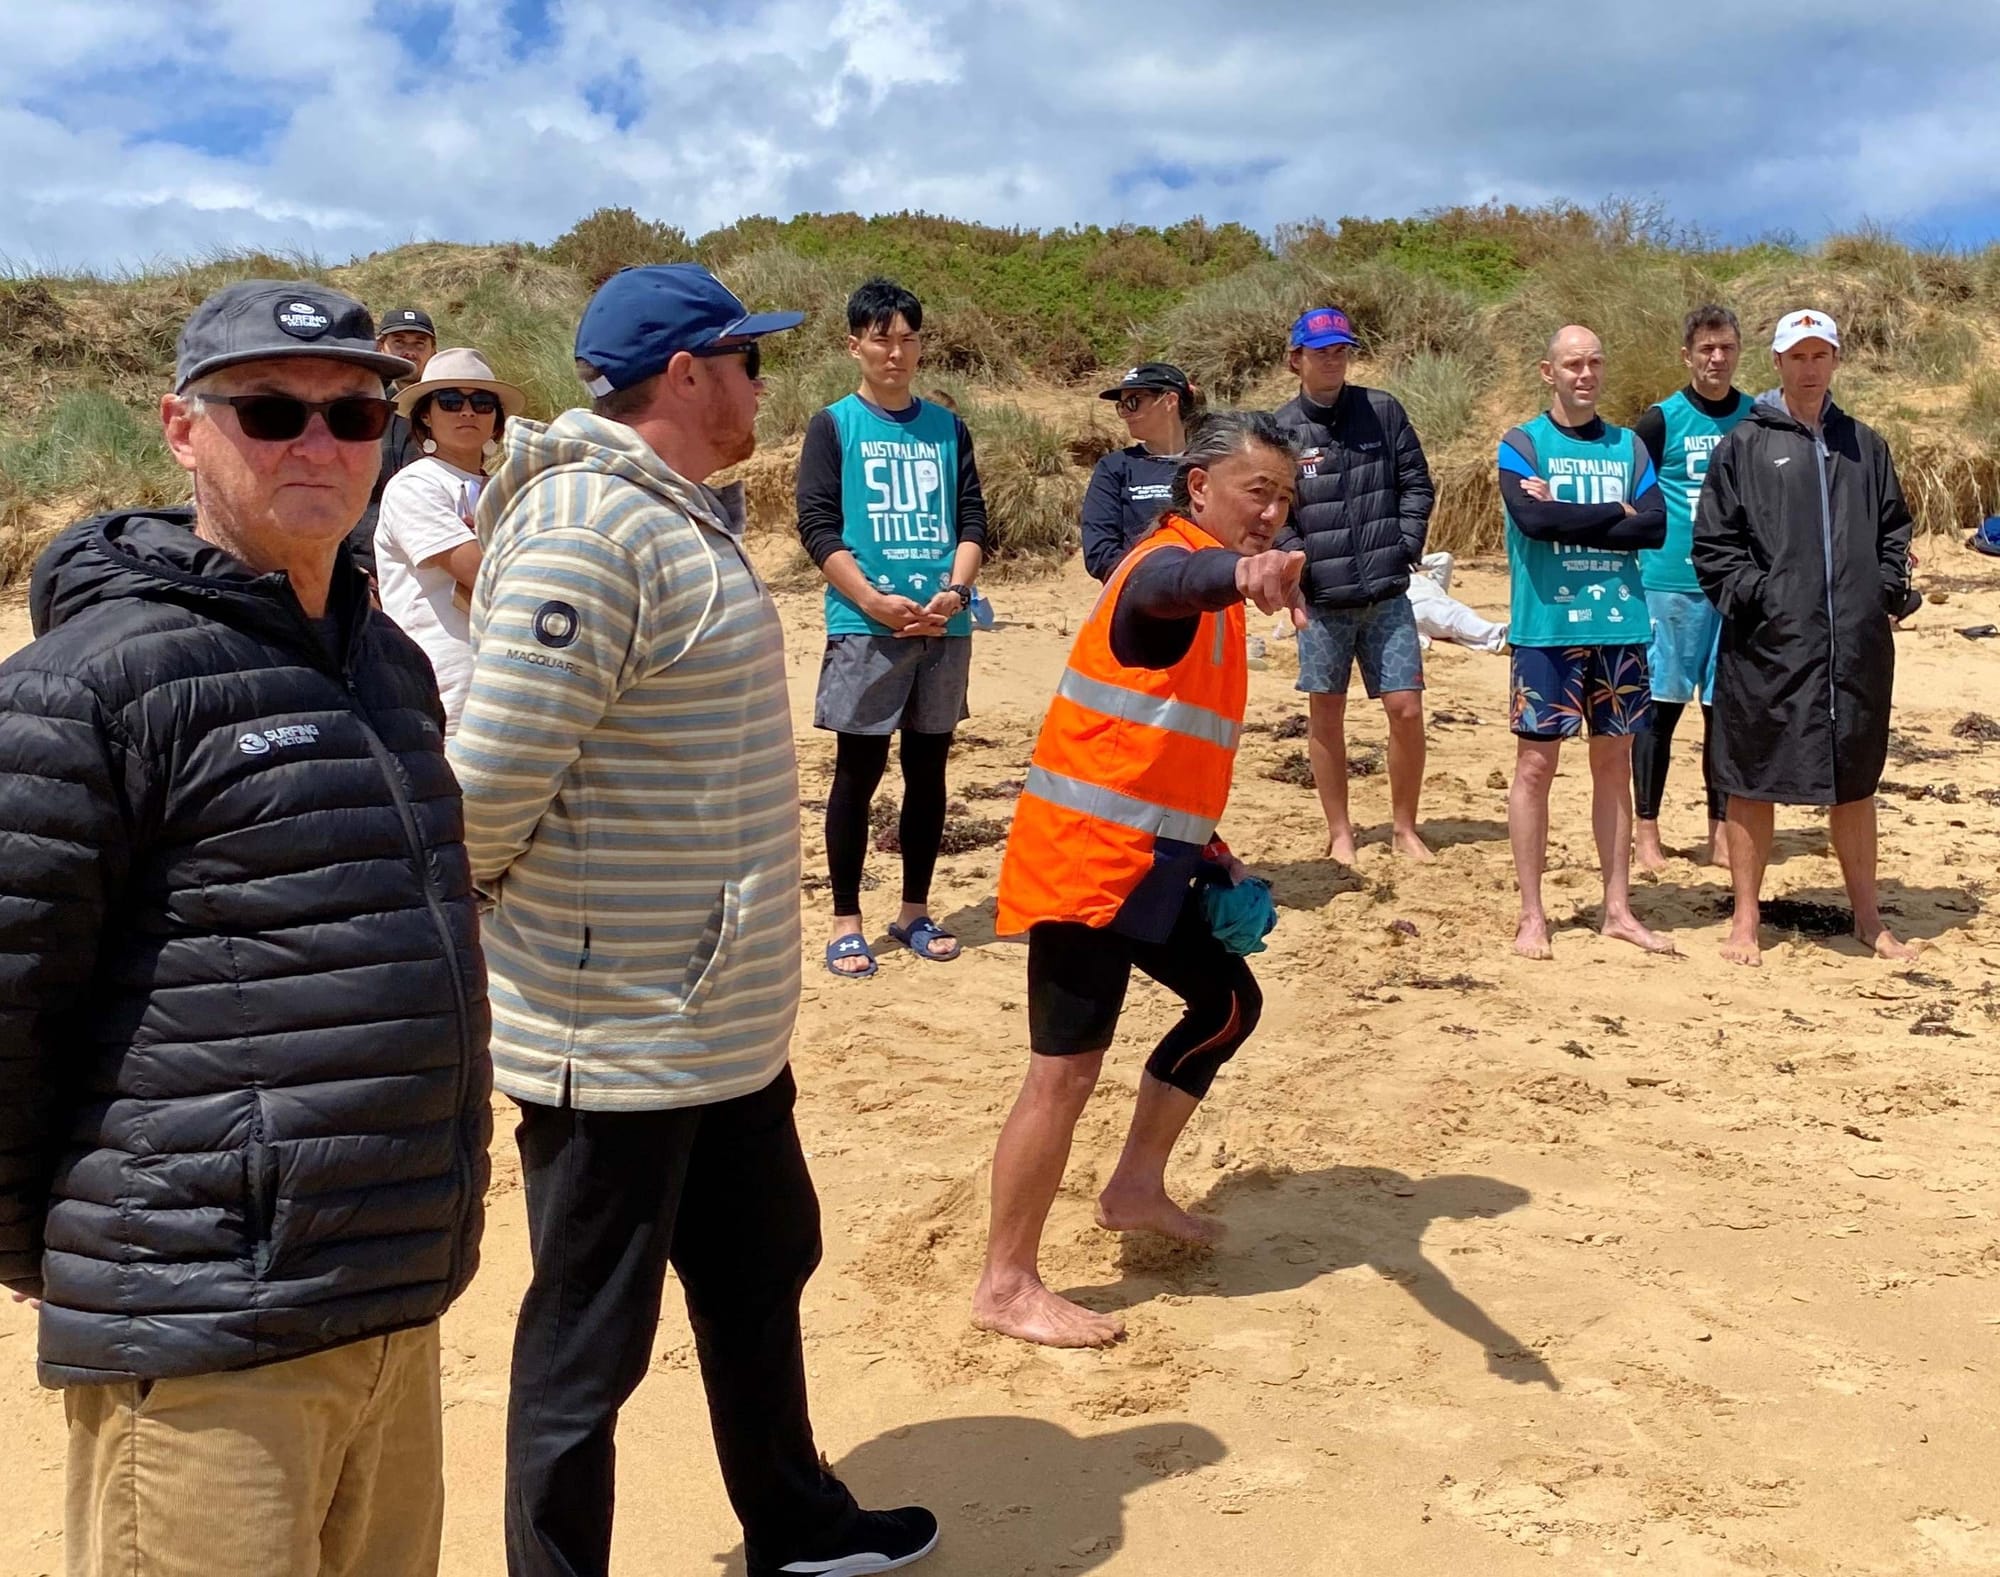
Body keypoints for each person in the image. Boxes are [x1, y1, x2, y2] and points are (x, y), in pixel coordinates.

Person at [450, 263, 937, 1577]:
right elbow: (483, 789)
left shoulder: (668, 513)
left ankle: (796, 1524)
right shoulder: (589, 530)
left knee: (762, 1261)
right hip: (615, 1036)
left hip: (713, 1021)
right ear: (685, 373)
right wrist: (518, 939)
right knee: (589, 1345)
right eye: (749, 360)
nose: (764, 384)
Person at [0, 280, 491, 1577]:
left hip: (387, 1298)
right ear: (182, 427)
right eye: (271, 411)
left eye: (353, 412)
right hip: (205, 1326)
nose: (319, 443)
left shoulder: (388, 669)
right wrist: (110, 1260)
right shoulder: (89, 684)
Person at [973, 410, 1305, 1349]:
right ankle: (1005, 1283)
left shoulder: (1216, 601)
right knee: (1064, 1072)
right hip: (1085, 860)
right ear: (1197, 487)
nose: (1274, 512)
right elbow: (1177, 583)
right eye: (1256, 491)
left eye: (1284, 496)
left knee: (1227, 1003)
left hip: (1153, 857)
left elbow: (1162, 740)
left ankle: (1134, 1188)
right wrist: (1241, 572)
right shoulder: (1165, 568)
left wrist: (1207, 844)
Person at [1694, 310, 1919, 967]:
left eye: (1822, 355)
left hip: (1853, 648)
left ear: (1836, 361)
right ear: (1777, 363)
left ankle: (1869, 917)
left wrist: (1878, 593)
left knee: (1855, 779)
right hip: (1768, 646)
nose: (1811, 368)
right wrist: (1763, 600)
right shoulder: (1744, 444)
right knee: (1751, 776)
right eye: (1799, 356)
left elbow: (1893, 529)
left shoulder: (1865, 445)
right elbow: (1715, 547)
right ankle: (1744, 920)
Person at [796, 277, 988, 979]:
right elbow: (817, 527)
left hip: (943, 625)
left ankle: (913, 908)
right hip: (864, 625)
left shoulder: (947, 427)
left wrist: (955, 591)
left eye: (908, 338)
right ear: (855, 345)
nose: (896, 351)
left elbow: (973, 521)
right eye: (882, 338)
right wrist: (873, 601)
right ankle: (846, 918)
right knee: (858, 771)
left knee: (928, 770)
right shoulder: (834, 424)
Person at [1500, 325, 1674, 960]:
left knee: (1613, 765)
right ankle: (1531, 914)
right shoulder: (1523, 443)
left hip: (1621, 627)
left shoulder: (1629, 446)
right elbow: (1534, 521)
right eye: (1573, 363)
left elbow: (1654, 528)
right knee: (1536, 766)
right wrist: (1615, 515)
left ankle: (1618, 909)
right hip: (1547, 629)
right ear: (1549, 372)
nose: (1586, 374)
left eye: (1596, 362)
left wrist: (1578, 511)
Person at [1274, 306, 1437, 864]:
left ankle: (1404, 826)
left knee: (1406, 709)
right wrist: (1295, 567)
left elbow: (1416, 482)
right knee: (1326, 713)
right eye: (1321, 351)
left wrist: (1404, 545)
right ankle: (1340, 831)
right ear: (1295, 359)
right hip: (1322, 601)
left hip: (1388, 592)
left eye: (1341, 349)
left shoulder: (1383, 411)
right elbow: (1274, 511)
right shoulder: (1279, 430)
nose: (1333, 359)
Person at [1629, 306, 1753, 872]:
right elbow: (1630, 492)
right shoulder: (1662, 420)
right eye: (1706, 349)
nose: (1716, 359)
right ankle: (1646, 831)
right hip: (1669, 583)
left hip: (1736, 588)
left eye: (1725, 348)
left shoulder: (1757, 417)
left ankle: (1721, 831)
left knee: (1724, 714)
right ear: (1687, 355)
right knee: (1661, 709)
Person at [373, 346, 525, 732]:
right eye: (451, 401)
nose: (468, 412)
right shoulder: (415, 485)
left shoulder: (511, 490)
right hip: (446, 692)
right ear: (426, 413)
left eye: (483, 403)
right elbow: (483, 573)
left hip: (514, 684)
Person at [1081, 362, 1195, 581]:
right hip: (1141, 598)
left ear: (1170, 401)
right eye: (1121, 405)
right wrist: (1162, 580)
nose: (1125, 413)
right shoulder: (1115, 467)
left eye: (1133, 402)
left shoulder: (1213, 463)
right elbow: (1099, 553)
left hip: (1208, 596)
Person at [349, 305, 437, 579]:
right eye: (399, 342)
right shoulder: (357, 411)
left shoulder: (455, 409)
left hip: (434, 559)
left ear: (433, 351)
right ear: (380, 347)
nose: (409, 351)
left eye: (419, 344)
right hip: (367, 566)